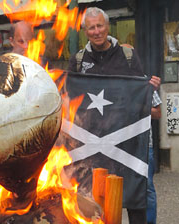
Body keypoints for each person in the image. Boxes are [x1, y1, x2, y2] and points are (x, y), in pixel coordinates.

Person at [68, 7, 160, 224]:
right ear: (84, 31)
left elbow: (142, 96)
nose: (96, 31)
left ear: (107, 27)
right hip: (93, 142)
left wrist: (148, 89)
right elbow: (70, 101)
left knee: (139, 190)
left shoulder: (128, 56)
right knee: (93, 192)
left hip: (130, 140)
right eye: (91, 27)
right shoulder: (79, 61)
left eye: (100, 26)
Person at [148, 91, 162, 224]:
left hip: (144, 146)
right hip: (113, 145)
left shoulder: (145, 81)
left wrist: (139, 106)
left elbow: (158, 113)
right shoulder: (110, 79)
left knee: (146, 187)